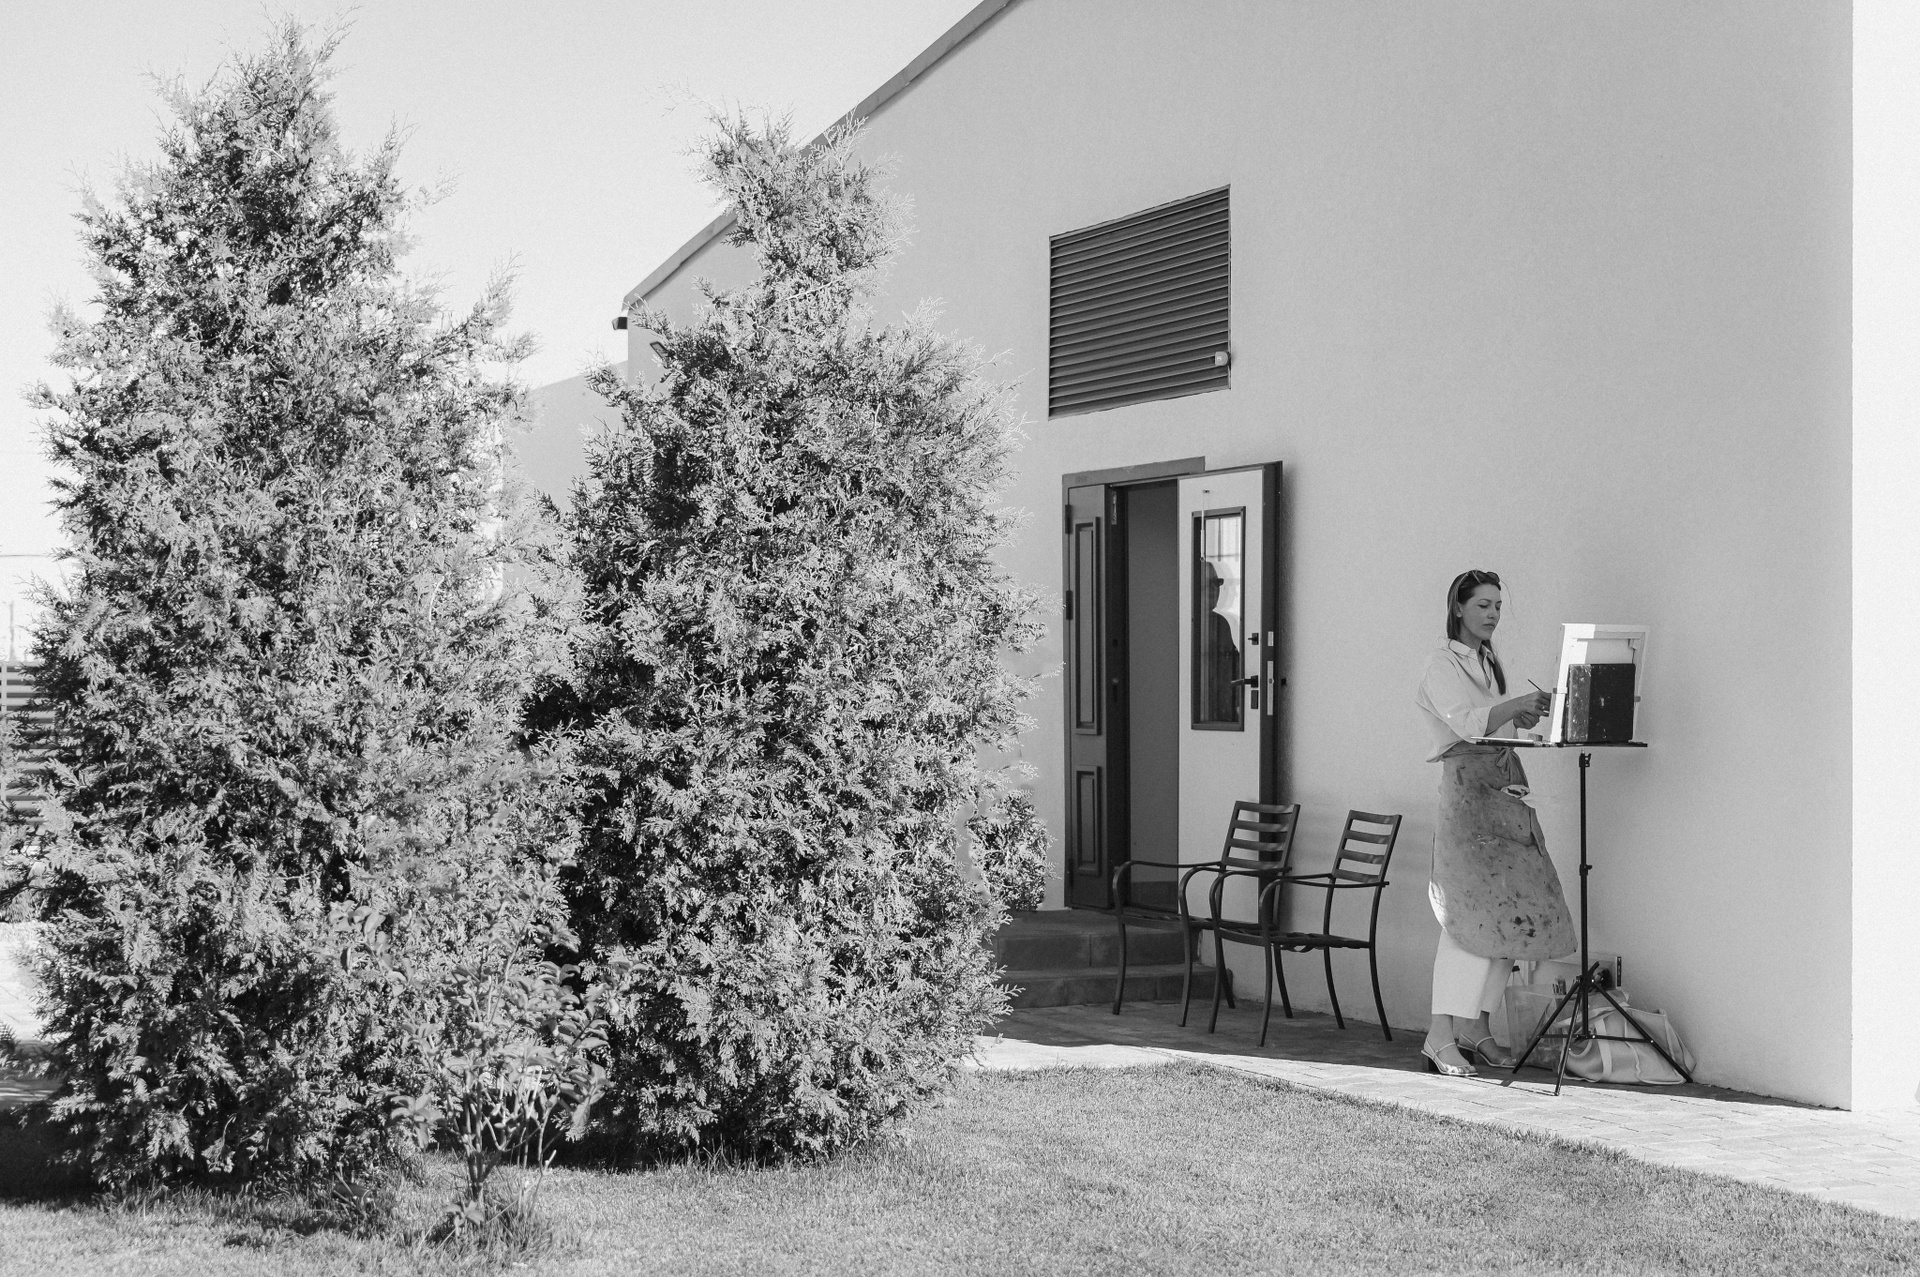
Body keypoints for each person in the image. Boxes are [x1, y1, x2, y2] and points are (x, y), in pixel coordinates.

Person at [1414, 569, 1577, 1077]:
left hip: (1502, 785)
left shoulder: (1488, 662)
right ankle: (1439, 1035)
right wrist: (1513, 705)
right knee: (1466, 916)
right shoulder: (1441, 663)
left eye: (1498, 606)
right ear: (1458, 607)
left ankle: (1476, 1027)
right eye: (1483, 605)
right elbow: (1465, 724)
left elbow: (1490, 722)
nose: (1492, 614)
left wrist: (1518, 716)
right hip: (1467, 793)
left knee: (1512, 911)